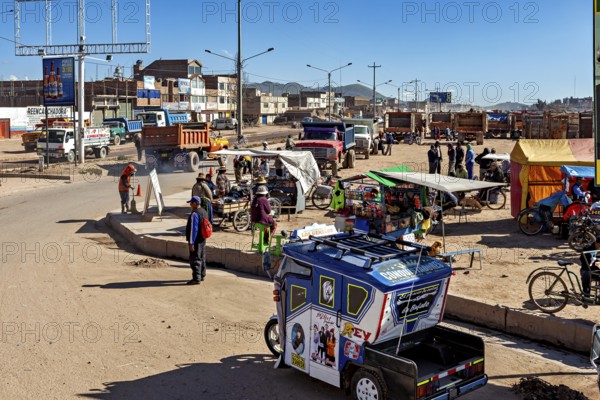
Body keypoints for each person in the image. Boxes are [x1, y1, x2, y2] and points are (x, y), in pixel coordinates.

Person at [185, 196, 209, 285]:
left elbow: (193, 229)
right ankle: (202, 275)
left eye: (191, 203)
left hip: (196, 240)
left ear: (195, 204)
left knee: (195, 259)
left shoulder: (195, 214)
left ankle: (196, 278)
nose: (190, 205)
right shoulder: (204, 211)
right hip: (202, 238)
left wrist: (191, 243)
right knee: (202, 257)